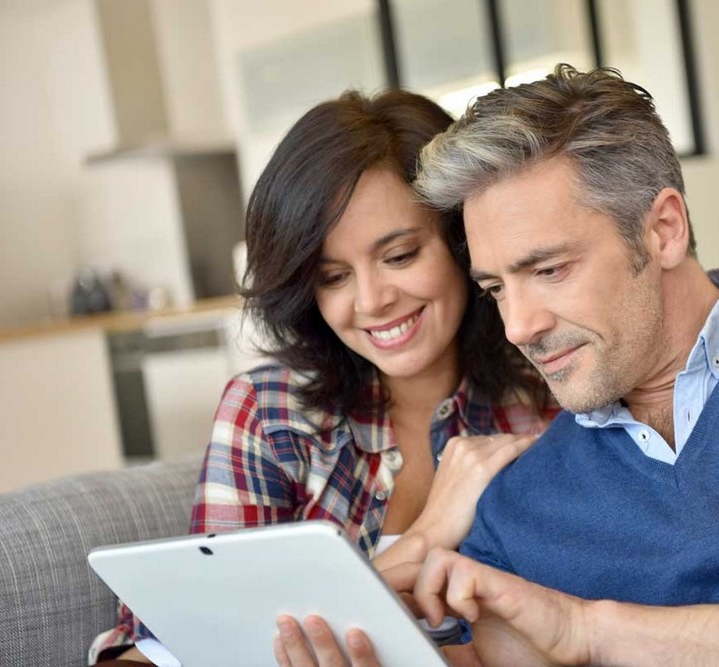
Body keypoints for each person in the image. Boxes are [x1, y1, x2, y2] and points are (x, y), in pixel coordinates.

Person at [281, 64, 719, 666]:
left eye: (549, 269)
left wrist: (594, 632)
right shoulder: (515, 505)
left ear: (663, 229)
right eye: (496, 288)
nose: (518, 326)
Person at [88, 89, 555, 666]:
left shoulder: (543, 396)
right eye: (333, 277)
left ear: (463, 242)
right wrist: (422, 540)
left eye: (400, 255)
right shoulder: (271, 412)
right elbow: (187, 646)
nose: (372, 301)